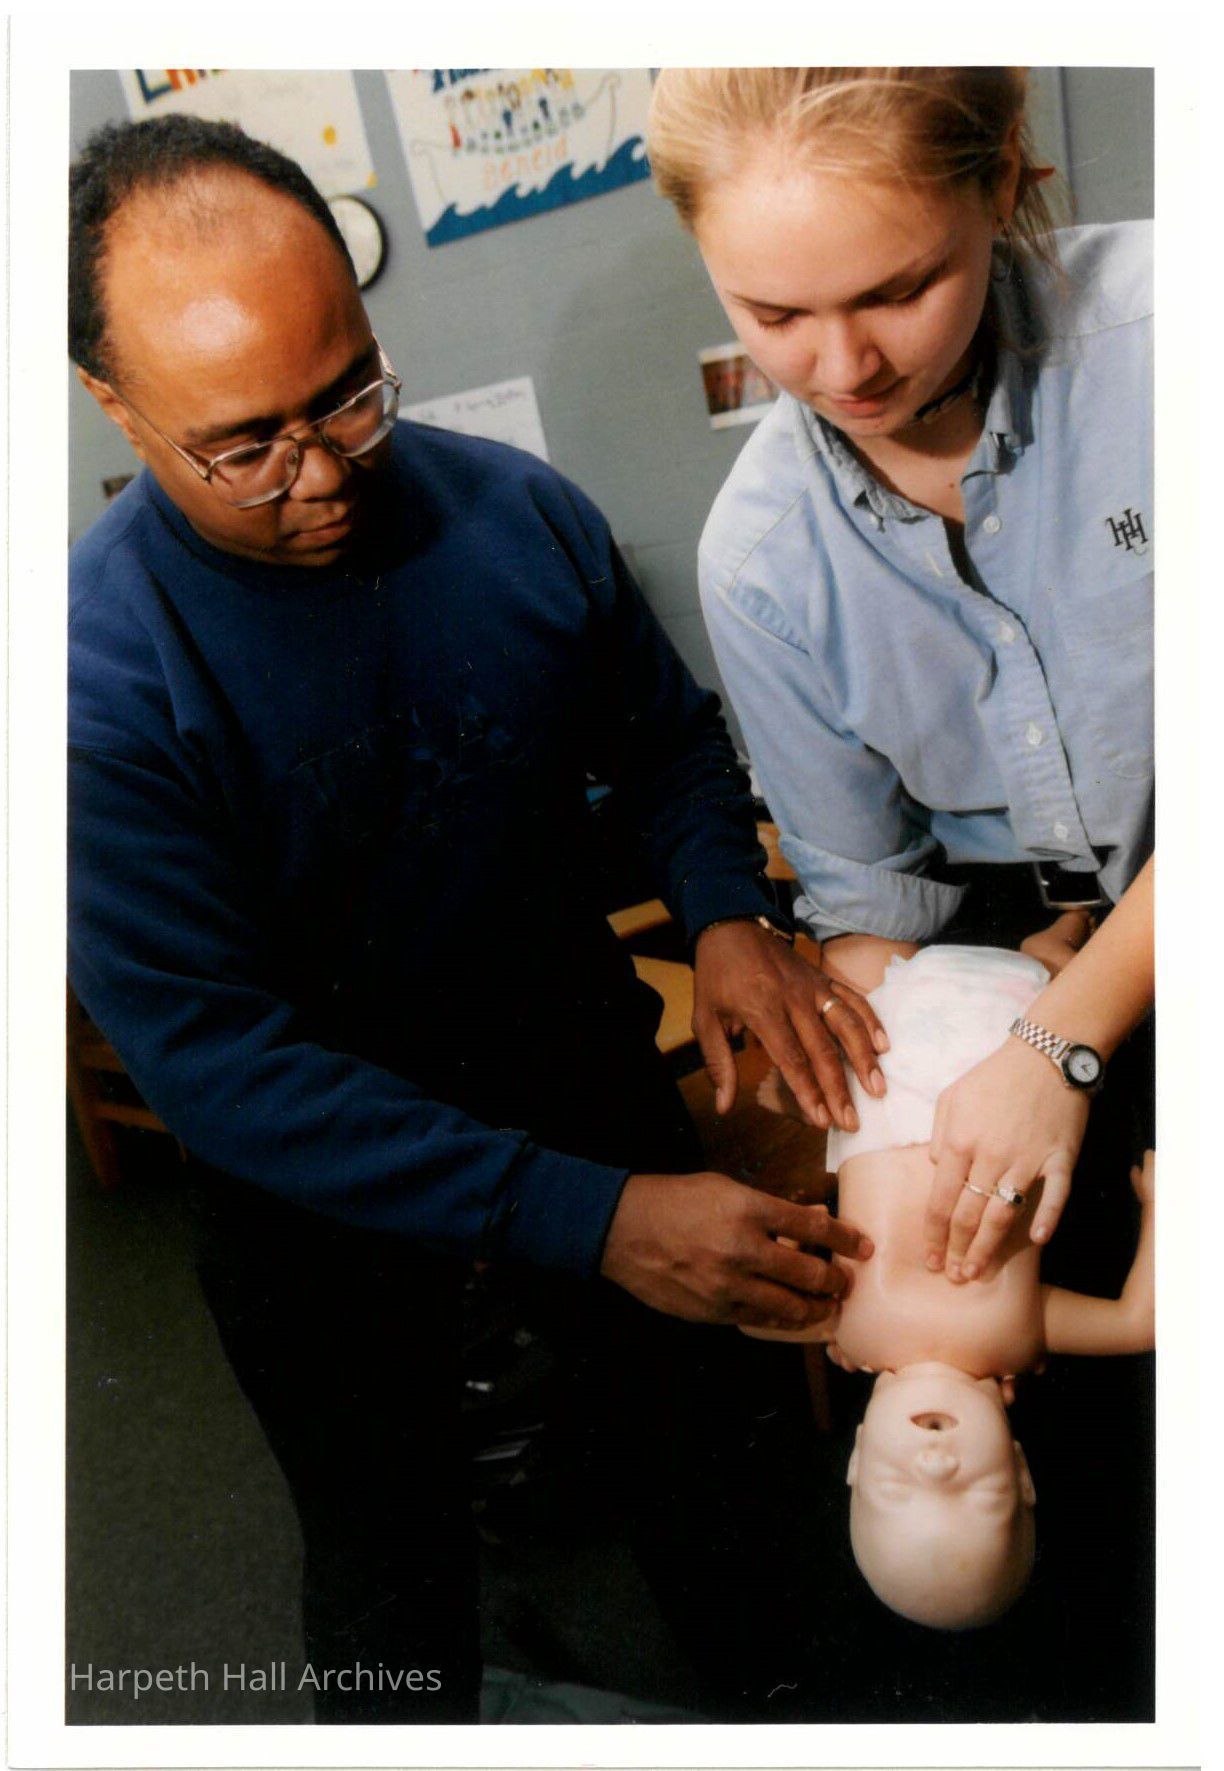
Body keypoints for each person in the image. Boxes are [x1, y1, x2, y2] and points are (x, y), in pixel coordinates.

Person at [67, 115, 887, 1723]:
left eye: (349, 394)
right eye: (245, 446)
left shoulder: (518, 515)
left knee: (708, 1466)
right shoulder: (93, 683)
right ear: (115, 402)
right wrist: (593, 1218)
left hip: (572, 1071)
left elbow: (664, 745)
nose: (324, 474)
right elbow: (221, 1065)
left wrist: (726, 913)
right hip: (315, 1185)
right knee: (389, 1564)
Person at [646, 67, 1154, 1282]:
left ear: (1000, 179)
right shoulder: (760, 563)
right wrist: (925, 1059)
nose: (847, 368)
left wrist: (1062, 1036)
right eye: (774, 313)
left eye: (899, 290)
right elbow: (877, 919)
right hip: (1022, 982)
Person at [750, 935, 1155, 1630]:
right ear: (1020, 1471)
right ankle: (1059, 937)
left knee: (850, 958)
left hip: (884, 1045)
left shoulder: (847, 1328)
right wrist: (1161, 1208)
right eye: (982, 1495)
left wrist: (792, 1276)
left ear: (856, 1461)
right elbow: (1138, 1323)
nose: (937, 1466)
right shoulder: (1015, 1336)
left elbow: (750, 1312)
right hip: (1012, 1040)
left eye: (895, 1490)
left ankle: (1047, 937)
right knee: (1056, 969)